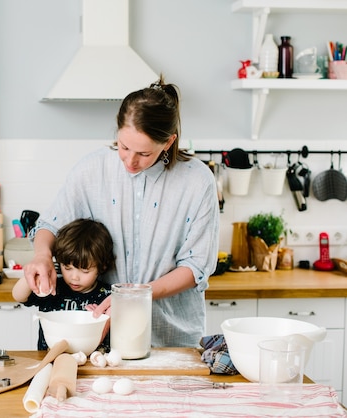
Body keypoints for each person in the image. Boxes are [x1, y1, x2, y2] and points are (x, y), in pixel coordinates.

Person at [23, 76, 219, 348]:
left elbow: (196, 266)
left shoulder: (198, 181)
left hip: (170, 338)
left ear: (169, 142)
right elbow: (51, 225)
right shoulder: (93, 169)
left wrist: (134, 297)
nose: (130, 160)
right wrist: (42, 254)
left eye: (144, 153)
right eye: (124, 147)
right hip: (103, 339)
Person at [12, 218, 115, 350]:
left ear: (102, 267)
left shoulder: (106, 296)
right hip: (50, 362)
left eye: (85, 271)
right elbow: (18, 296)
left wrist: (101, 319)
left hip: (92, 363)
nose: (74, 277)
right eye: (67, 268)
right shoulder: (53, 287)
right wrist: (31, 278)